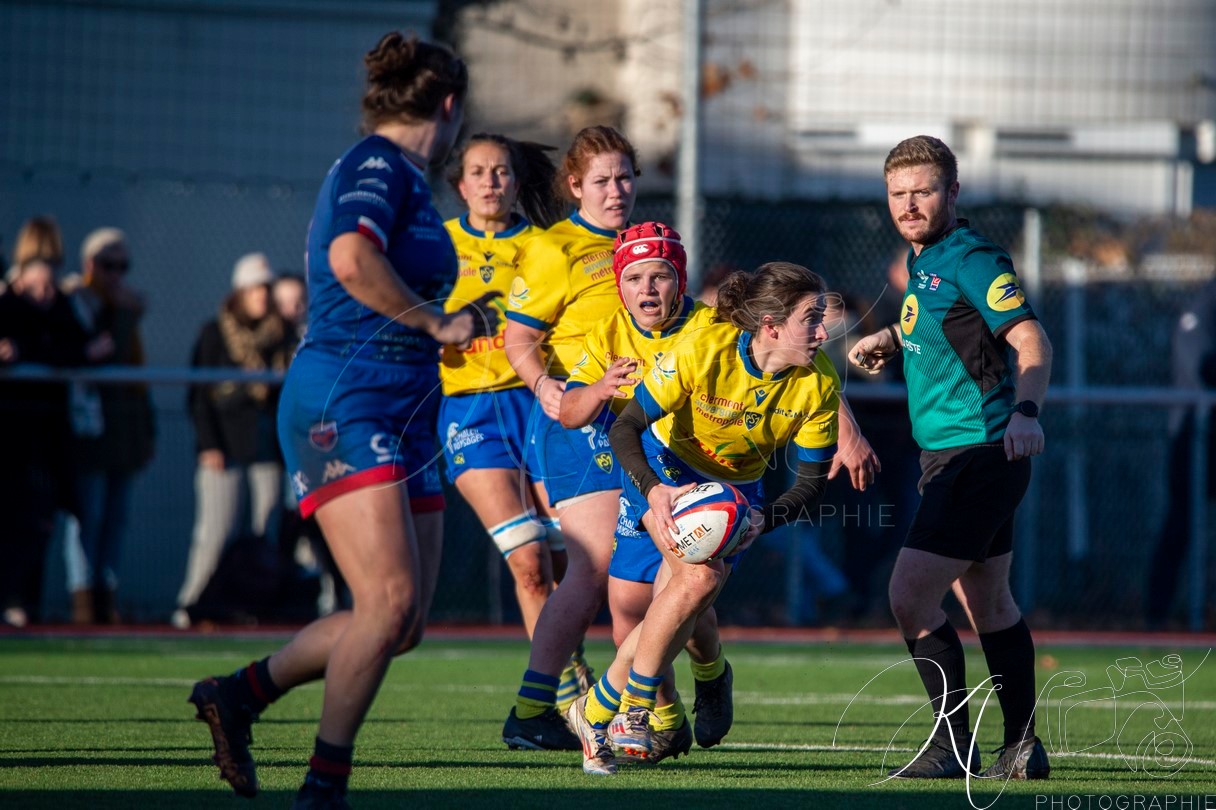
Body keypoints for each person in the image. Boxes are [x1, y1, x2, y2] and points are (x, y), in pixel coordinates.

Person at [186, 33, 493, 809]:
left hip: (407, 404)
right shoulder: (376, 166)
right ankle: (323, 789)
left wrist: (455, 322)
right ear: (449, 106)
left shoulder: (413, 181)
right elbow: (354, 262)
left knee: (405, 620)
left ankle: (241, 694)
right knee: (384, 603)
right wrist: (437, 321)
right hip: (346, 400)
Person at [564, 261, 846, 775]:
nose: (824, 332)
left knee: (689, 593)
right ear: (771, 325)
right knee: (692, 582)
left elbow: (810, 483)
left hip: (738, 491)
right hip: (664, 469)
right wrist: (655, 492)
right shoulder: (704, 349)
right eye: (812, 318)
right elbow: (625, 429)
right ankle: (633, 708)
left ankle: (599, 709)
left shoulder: (819, 385)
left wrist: (766, 518)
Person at [848, 135, 1053, 781]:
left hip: (982, 451)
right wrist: (889, 336)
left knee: (909, 596)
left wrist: (1026, 413)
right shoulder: (925, 263)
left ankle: (951, 746)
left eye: (923, 191)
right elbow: (938, 322)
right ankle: (1021, 748)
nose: (909, 205)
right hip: (952, 455)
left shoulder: (971, 256)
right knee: (989, 603)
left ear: (952, 193)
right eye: (898, 194)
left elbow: (1029, 336)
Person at [439, 132, 595, 694]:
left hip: (540, 408)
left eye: (500, 171)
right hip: (471, 414)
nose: (489, 182)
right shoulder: (435, 244)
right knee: (527, 560)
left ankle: (568, 669)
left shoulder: (545, 245)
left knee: (564, 564)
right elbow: (406, 318)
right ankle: (562, 694)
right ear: (460, 184)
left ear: (515, 181)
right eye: (477, 172)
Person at [559, 222, 722, 761]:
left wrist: (846, 427)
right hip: (642, 478)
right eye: (634, 278)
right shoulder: (607, 333)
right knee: (629, 608)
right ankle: (671, 719)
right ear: (620, 286)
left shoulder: (711, 324)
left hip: (704, 477)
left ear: (680, 281)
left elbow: (787, 361)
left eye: (660, 276)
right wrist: (600, 387)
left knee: (683, 591)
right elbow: (567, 412)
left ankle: (706, 675)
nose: (647, 289)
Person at [499, 125, 639, 751]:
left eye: (625, 176)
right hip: (583, 424)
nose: (617, 190)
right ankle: (534, 710)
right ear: (576, 185)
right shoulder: (556, 248)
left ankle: (654, 712)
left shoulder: (645, 244)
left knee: (656, 568)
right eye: (603, 180)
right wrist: (541, 386)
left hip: (647, 426)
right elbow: (519, 338)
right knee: (596, 569)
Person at [173, 253, 295, 628]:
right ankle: (191, 606)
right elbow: (199, 397)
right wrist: (208, 445)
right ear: (240, 291)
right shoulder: (216, 333)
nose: (262, 296)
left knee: (265, 534)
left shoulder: (282, 336)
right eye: (256, 288)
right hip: (225, 448)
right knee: (216, 531)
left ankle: (253, 607)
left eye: (267, 289)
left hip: (266, 450)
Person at [0, 259, 101, 626]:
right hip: (10, 442)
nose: (43, 292)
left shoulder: (61, 313)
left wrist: (27, 351)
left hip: (45, 445)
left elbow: (85, 348)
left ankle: (26, 605)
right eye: (34, 285)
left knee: (39, 525)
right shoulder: (8, 310)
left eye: (49, 285)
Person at [68, 227, 156, 625]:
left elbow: (136, 377)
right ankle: (84, 602)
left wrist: (146, 432)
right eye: (108, 265)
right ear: (90, 265)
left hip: (124, 429)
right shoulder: (80, 302)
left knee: (116, 520)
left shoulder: (127, 308)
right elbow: (104, 353)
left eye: (123, 265)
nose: (117, 274)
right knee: (88, 518)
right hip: (90, 430)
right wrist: (123, 311)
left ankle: (106, 599)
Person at [1145, 279, 1216, 629]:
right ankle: (1157, 615)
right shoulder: (1200, 310)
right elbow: (1205, 368)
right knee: (1180, 525)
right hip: (1195, 437)